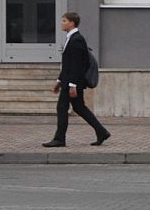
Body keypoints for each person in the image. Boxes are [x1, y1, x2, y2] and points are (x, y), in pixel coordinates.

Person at [42, 12, 110, 148]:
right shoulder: (71, 38)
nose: (62, 23)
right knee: (79, 107)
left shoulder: (77, 39)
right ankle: (102, 132)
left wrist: (72, 85)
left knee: (62, 108)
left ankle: (59, 139)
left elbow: (77, 65)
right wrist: (59, 81)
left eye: (64, 21)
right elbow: (68, 64)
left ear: (72, 23)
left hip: (72, 83)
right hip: (69, 81)